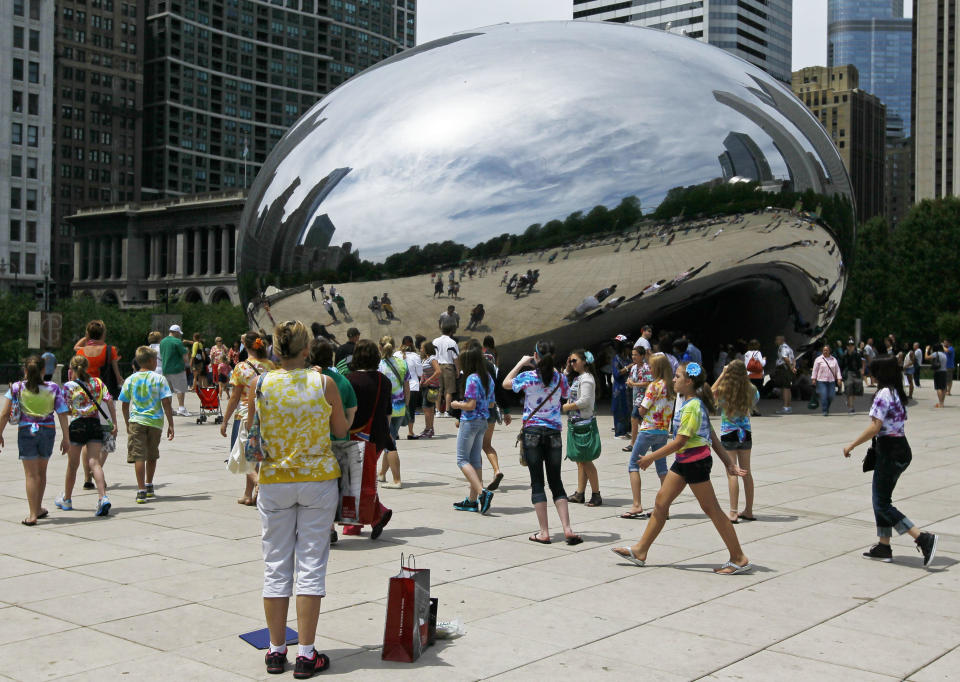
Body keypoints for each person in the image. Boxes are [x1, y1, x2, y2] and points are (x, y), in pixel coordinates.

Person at [249, 321, 347, 677]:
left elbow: (252, 431)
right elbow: (340, 430)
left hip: (275, 479)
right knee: (311, 564)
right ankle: (306, 653)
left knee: (275, 564)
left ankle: (276, 650)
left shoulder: (260, 383)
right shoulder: (324, 383)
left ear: (276, 350)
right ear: (307, 350)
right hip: (317, 479)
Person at [611, 362, 751, 573]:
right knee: (661, 502)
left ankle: (738, 557)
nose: (674, 380)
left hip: (695, 463)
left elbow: (679, 442)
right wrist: (728, 463)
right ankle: (640, 551)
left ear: (689, 381)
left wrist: (651, 457)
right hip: (684, 462)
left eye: (677, 377)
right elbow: (710, 433)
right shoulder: (688, 402)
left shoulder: (693, 407)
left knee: (711, 509)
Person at [842, 356, 939, 567]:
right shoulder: (895, 392)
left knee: (882, 503)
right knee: (882, 499)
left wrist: (851, 445)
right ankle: (883, 546)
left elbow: (874, 427)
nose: (870, 374)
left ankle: (922, 538)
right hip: (900, 449)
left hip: (890, 452)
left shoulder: (883, 394)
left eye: (873, 371)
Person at [504, 340, 582, 545]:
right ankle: (567, 528)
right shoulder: (560, 378)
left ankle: (544, 532)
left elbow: (505, 383)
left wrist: (521, 363)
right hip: (554, 433)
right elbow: (565, 395)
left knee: (537, 482)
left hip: (532, 433)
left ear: (535, 356)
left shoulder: (528, 376)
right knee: (556, 481)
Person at [0, 356, 70, 525]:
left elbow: (4, 414)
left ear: (25, 370)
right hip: (47, 431)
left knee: (31, 475)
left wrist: (0, 433)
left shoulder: (16, 387)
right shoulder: (53, 388)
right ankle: (38, 508)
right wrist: (66, 438)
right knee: (41, 472)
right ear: (43, 370)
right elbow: (62, 412)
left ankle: (32, 514)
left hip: (26, 431)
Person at [344, 340, 394, 539]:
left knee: (355, 481)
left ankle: (364, 519)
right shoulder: (384, 380)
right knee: (364, 478)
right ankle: (372, 517)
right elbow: (388, 411)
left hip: (356, 435)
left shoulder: (349, 380)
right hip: (379, 435)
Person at [57, 355, 117, 516]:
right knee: (95, 463)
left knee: (73, 464)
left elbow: (64, 408)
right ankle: (102, 497)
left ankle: (67, 499)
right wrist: (115, 423)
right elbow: (109, 401)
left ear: (72, 369)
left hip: (77, 425)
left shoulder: (69, 385)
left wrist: (76, 410)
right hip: (95, 424)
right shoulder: (97, 382)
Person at [221, 332, 275, 506]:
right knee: (254, 454)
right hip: (266, 412)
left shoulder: (241, 367)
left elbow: (234, 398)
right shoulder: (270, 365)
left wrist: (224, 420)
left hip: (246, 414)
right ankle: (247, 494)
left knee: (243, 454)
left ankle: (259, 483)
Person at [118, 346, 175, 504]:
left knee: (139, 456)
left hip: (136, 421)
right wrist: (171, 424)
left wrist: (127, 421)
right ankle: (149, 484)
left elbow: (124, 403)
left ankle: (141, 489)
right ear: (151, 361)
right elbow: (166, 402)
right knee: (152, 454)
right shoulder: (159, 379)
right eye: (156, 360)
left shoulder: (130, 379)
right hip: (155, 422)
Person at [623, 353, 675, 518]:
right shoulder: (672, 386)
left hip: (648, 429)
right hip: (663, 431)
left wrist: (639, 409)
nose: (649, 369)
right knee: (662, 467)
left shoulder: (654, 386)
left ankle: (636, 504)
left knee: (633, 465)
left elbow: (643, 409)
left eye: (651, 367)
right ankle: (664, 507)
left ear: (657, 368)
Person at [450, 347, 498, 513]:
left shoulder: (471, 378)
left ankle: (481, 493)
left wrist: (456, 404)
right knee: (475, 460)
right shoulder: (488, 378)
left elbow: (470, 405)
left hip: (469, 421)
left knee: (462, 460)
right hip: (483, 421)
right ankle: (471, 500)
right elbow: (491, 404)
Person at [713, 360, 758, 523]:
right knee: (747, 472)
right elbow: (755, 401)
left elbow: (711, 392)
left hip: (729, 432)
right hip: (745, 432)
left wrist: (723, 373)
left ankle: (733, 512)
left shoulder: (725, 389)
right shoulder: (751, 389)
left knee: (732, 473)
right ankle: (749, 510)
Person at [562, 349, 602, 506]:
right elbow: (562, 381)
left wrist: (568, 407)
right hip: (577, 423)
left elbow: (585, 401)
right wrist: (566, 369)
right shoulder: (579, 377)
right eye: (570, 361)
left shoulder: (586, 379)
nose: (572, 364)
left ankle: (596, 494)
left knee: (586, 461)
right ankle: (580, 493)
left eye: (574, 361)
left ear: (584, 361)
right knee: (580, 460)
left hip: (583, 424)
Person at [376, 336, 407, 489]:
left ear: (380, 347)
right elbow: (406, 386)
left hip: (387, 409)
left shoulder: (380, 366)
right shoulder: (402, 362)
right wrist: (406, 404)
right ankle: (382, 473)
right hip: (400, 407)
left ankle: (396, 480)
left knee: (390, 444)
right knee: (390, 439)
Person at [73, 320, 124, 402]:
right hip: (104, 393)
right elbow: (117, 375)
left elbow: (75, 376)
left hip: (86, 393)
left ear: (88, 334)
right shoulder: (110, 350)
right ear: (103, 334)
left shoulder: (80, 352)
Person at [624, 345, 652, 453]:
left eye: (636, 355)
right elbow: (630, 378)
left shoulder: (646, 367)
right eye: (632, 354)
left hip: (644, 396)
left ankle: (633, 443)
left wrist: (634, 384)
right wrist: (630, 382)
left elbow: (649, 383)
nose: (633, 357)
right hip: (635, 396)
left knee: (634, 417)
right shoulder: (634, 367)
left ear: (642, 356)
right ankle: (652, 437)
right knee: (641, 420)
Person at [159, 325, 191, 416]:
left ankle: (169, 409)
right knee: (180, 389)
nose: (179, 335)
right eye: (178, 333)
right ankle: (181, 408)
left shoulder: (162, 342)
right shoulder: (177, 342)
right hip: (177, 368)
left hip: (165, 368)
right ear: (175, 332)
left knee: (168, 390)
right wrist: (188, 362)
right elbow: (185, 357)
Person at [433, 322, 459, 416]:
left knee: (438, 389)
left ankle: (437, 411)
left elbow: (432, 356)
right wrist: (457, 370)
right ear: (451, 332)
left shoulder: (435, 341)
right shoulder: (452, 342)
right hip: (448, 366)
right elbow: (455, 358)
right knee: (448, 390)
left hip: (437, 366)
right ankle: (447, 411)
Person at [417, 341, 441, 439]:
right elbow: (424, 373)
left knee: (427, 408)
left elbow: (438, 371)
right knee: (428, 409)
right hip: (426, 386)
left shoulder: (432, 358)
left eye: (422, 348)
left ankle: (428, 429)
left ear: (427, 348)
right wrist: (421, 381)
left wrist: (428, 380)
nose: (420, 349)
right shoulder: (424, 359)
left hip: (432, 387)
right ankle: (429, 429)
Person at [811, 344, 843, 417]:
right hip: (821, 381)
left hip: (831, 381)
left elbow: (837, 370)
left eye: (826, 350)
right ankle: (825, 410)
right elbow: (815, 370)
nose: (825, 351)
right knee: (824, 395)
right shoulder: (818, 359)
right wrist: (813, 379)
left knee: (831, 396)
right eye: (824, 350)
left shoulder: (834, 359)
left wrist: (839, 379)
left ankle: (827, 407)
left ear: (829, 351)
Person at [400, 336, 422, 440]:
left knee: (396, 409)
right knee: (411, 409)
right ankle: (410, 432)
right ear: (412, 344)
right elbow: (420, 373)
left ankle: (395, 432)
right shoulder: (415, 356)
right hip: (412, 386)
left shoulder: (396, 355)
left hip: (398, 387)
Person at [611, 336, 632, 438]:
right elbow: (616, 374)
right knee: (619, 410)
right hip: (618, 389)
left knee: (626, 410)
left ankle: (625, 430)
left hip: (627, 389)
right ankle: (619, 432)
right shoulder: (617, 359)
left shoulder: (628, 359)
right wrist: (629, 367)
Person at [773, 335, 796, 414]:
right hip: (788, 369)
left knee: (785, 388)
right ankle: (788, 406)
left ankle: (786, 407)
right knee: (788, 387)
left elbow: (785, 358)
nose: (775, 341)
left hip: (784, 368)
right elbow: (793, 359)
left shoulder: (782, 348)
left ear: (781, 340)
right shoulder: (789, 348)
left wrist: (790, 367)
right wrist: (793, 367)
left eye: (777, 339)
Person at [840, 339, 864, 411]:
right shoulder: (844, 355)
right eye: (849, 346)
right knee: (849, 388)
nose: (850, 347)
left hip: (856, 373)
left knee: (855, 391)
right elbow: (841, 366)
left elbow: (860, 365)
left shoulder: (857, 355)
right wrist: (840, 376)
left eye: (852, 346)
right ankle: (851, 407)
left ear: (854, 346)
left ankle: (849, 402)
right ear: (847, 347)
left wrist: (861, 374)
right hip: (847, 373)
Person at [925, 343, 948, 408]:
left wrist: (926, 350)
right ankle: (942, 403)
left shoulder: (936, 354)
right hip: (944, 372)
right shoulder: (944, 354)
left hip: (938, 372)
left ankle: (940, 403)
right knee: (943, 388)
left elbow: (926, 357)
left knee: (938, 387)